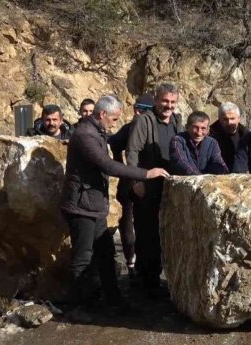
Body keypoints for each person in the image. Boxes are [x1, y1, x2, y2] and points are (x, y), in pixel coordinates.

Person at [59, 95, 168, 312]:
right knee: (83, 258)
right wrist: (145, 173)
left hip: (93, 205)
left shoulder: (95, 132)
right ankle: (78, 308)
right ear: (102, 114)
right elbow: (106, 165)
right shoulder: (85, 136)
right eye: (114, 119)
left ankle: (114, 301)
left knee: (106, 254)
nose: (114, 123)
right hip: (81, 207)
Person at [126, 83, 183, 297]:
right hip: (146, 185)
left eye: (172, 102)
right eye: (164, 101)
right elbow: (132, 151)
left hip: (169, 186)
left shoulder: (177, 121)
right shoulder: (144, 121)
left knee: (165, 232)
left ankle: (161, 278)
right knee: (146, 233)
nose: (168, 106)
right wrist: (136, 180)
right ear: (156, 101)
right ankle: (146, 282)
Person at [106, 92, 154, 280]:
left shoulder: (152, 126)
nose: (137, 112)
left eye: (142, 109)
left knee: (145, 224)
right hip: (130, 182)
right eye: (136, 108)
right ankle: (132, 262)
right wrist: (121, 168)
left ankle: (141, 263)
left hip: (149, 181)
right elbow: (113, 145)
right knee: (127, 221)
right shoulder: (131, 127)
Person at [170, 111, 229, 175]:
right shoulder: (178, 140)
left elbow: (218, 162)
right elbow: (180, 162)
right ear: (187, 127)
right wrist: (200, 178)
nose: (199, 133)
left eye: (203, 128)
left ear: (208, 130)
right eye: (195, 127)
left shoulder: (212, 143)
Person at [209, 102, 249, 170]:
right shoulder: (210, 135)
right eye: (225, 119)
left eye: (232, 118)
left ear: (239, 119)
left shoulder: (246, 135)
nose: (229, 123)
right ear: (219, 119)